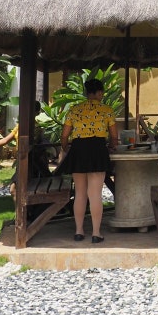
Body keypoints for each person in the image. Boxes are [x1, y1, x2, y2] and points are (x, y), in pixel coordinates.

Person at [58, 78, 118, 243]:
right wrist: (112, 147)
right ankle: (96, 233)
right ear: (99, 92)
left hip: (78, 149)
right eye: (102, 93)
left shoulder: (75, 110)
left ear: (86, 92)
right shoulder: (107, 110)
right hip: (97, 149)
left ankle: (79, 231)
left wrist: (66, 148)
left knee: (80, 193)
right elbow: (114, 136)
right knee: (95, 194)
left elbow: (64, 135)